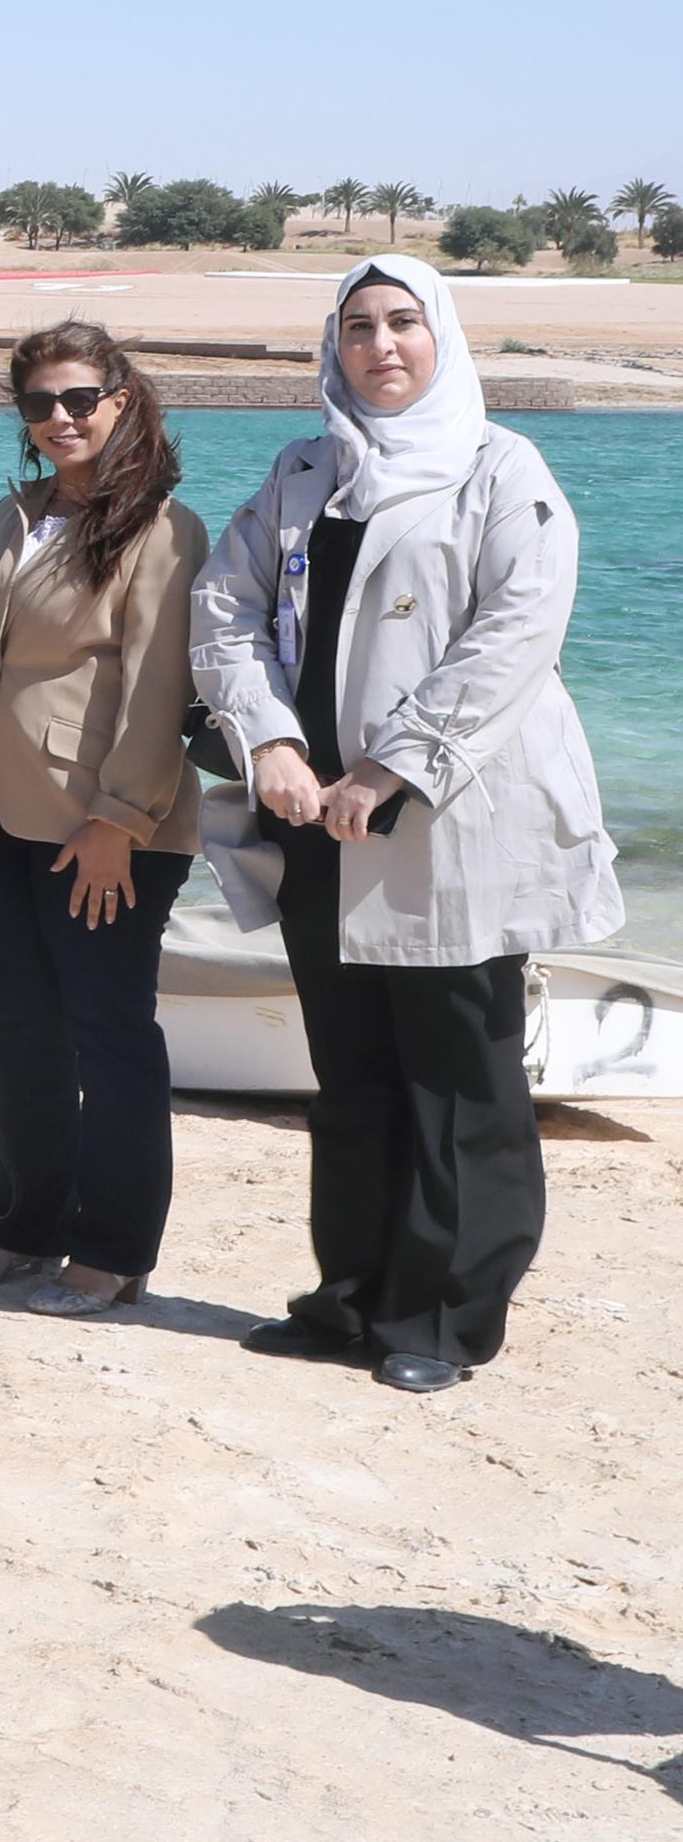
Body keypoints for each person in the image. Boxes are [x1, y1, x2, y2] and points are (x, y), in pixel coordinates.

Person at [193, 257, 620, 1392]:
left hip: (446, 816)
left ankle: (442, 1318)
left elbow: (513, 636)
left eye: (401, 323)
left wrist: (387, 768)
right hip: (312, 816)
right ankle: (349, 1296)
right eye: (357, 326)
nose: (379, 345)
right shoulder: (304, 471)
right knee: (351, 1071)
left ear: (442, 335)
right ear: (329, 346)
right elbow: (224, 609)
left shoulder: (501, 469)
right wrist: (268, 743)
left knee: (458, 1077)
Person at [0, 321, 204, 1317]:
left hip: (102, 824)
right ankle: (23, 1225)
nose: (59, 418)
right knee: (24, 1030)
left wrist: (117, 819)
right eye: (38, 402)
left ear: (120, 401)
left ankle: (115, 1247)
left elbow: (159, 685)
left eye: (79, 398)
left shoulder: (162, 529)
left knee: (108, 1031)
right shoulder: (14, 515)